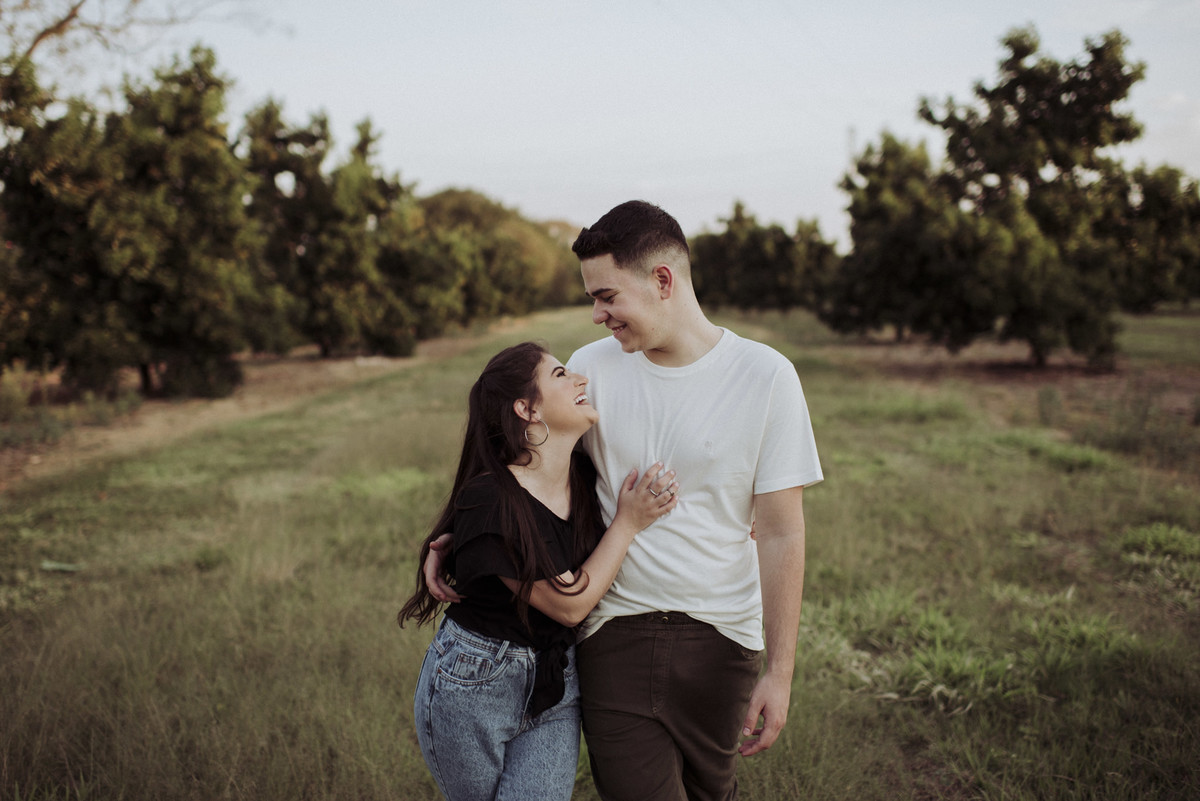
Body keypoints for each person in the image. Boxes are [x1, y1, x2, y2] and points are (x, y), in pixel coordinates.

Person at [428, 200, 822, 800]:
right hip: (613, 631)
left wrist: (781, 673)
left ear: (662, 281)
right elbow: (541, 480)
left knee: (712, 792)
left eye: (606, 296)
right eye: (593, 298)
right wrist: (471, 540)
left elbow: (781, 531)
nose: (596, 315)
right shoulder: (593, 370)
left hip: (724, 637)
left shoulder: (766, 376)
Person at [398, 341, 679, 801]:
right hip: (475, 685)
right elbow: (570, 606)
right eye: (561, 374)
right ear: (527, 409)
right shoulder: (490, 500)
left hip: (557, 682)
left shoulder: (589, 479)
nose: (581, 380)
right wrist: (629, 523)